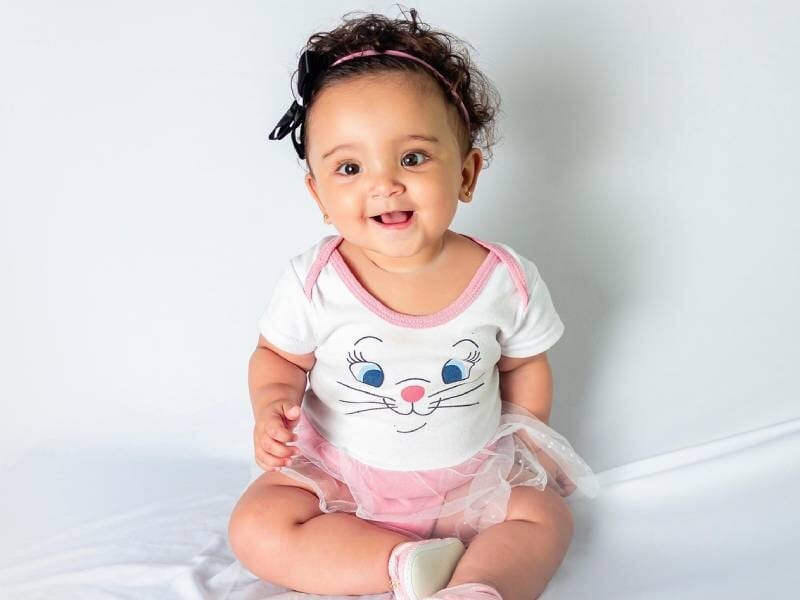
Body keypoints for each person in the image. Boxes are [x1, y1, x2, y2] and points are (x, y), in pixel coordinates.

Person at [228, 7, 599, 600]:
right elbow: (277, 356)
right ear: (319, 195)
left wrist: (530, 448)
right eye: (349, 167)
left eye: (413, 158)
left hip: (472, 480)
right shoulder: (314, 281)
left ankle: (479, 585)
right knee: (256, 527)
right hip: (342, 481)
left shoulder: (504, 278)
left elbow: (525, 364)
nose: (384, 183)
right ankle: (401, 565)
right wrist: (273, 405)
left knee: (544, 519)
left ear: (468, 174)